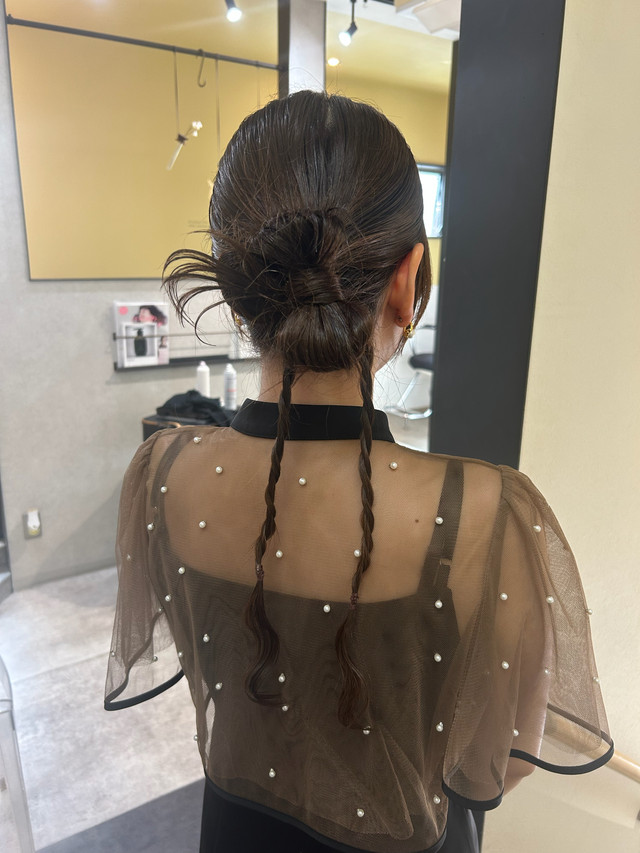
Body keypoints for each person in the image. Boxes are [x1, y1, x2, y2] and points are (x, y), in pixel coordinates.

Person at [105, 91, 613, 853]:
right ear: (407, 282)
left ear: (240, 292)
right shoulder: (486, 510)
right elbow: (502, 762)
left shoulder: (160, 469)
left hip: (233, 832)